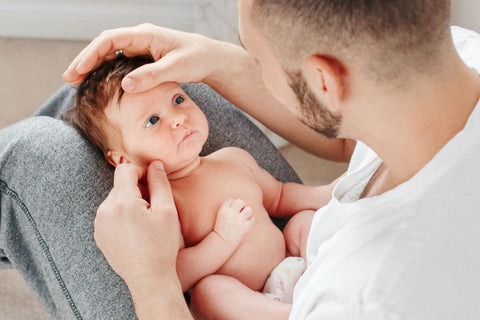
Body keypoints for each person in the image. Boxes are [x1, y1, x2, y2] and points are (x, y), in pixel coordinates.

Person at [62, 0, 480, 319]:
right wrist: (211, 57)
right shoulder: (461, 52)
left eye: (257, 60)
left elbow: (183, 273)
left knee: (39, 147)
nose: (251, 68)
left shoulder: (367, 300)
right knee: (98, 102)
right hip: (301, 261)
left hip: (271, 299)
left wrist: (147, 277)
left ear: (323, 82)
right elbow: (336, 152)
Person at [62, 54, 336, 310]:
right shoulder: (162, 204)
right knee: (209, 292)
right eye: (153, 120)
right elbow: (176, 275)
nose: (179, 118)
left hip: (291, 264)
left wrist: (330, 193)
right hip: (248, 301)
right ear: (122, 160)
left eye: (178, 100)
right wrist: (222, 239)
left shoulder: (233, 159)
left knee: (304, 221)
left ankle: (336, 277)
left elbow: (280, 197)